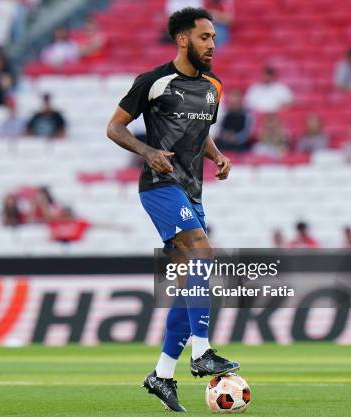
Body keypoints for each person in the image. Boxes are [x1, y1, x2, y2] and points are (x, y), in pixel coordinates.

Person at [106, 7, 239, 412]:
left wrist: (216, 155)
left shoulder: (214, 86)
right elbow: (114, 127)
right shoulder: (154, 81)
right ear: (183, 40)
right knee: (203, 254)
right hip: (160, 187)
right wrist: (148, 152)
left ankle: (161, 375)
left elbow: (200, 133)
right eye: (204, 38)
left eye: (213, 38)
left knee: (190, 284)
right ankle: (202, 353)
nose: (212, 45)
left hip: (193, 191)